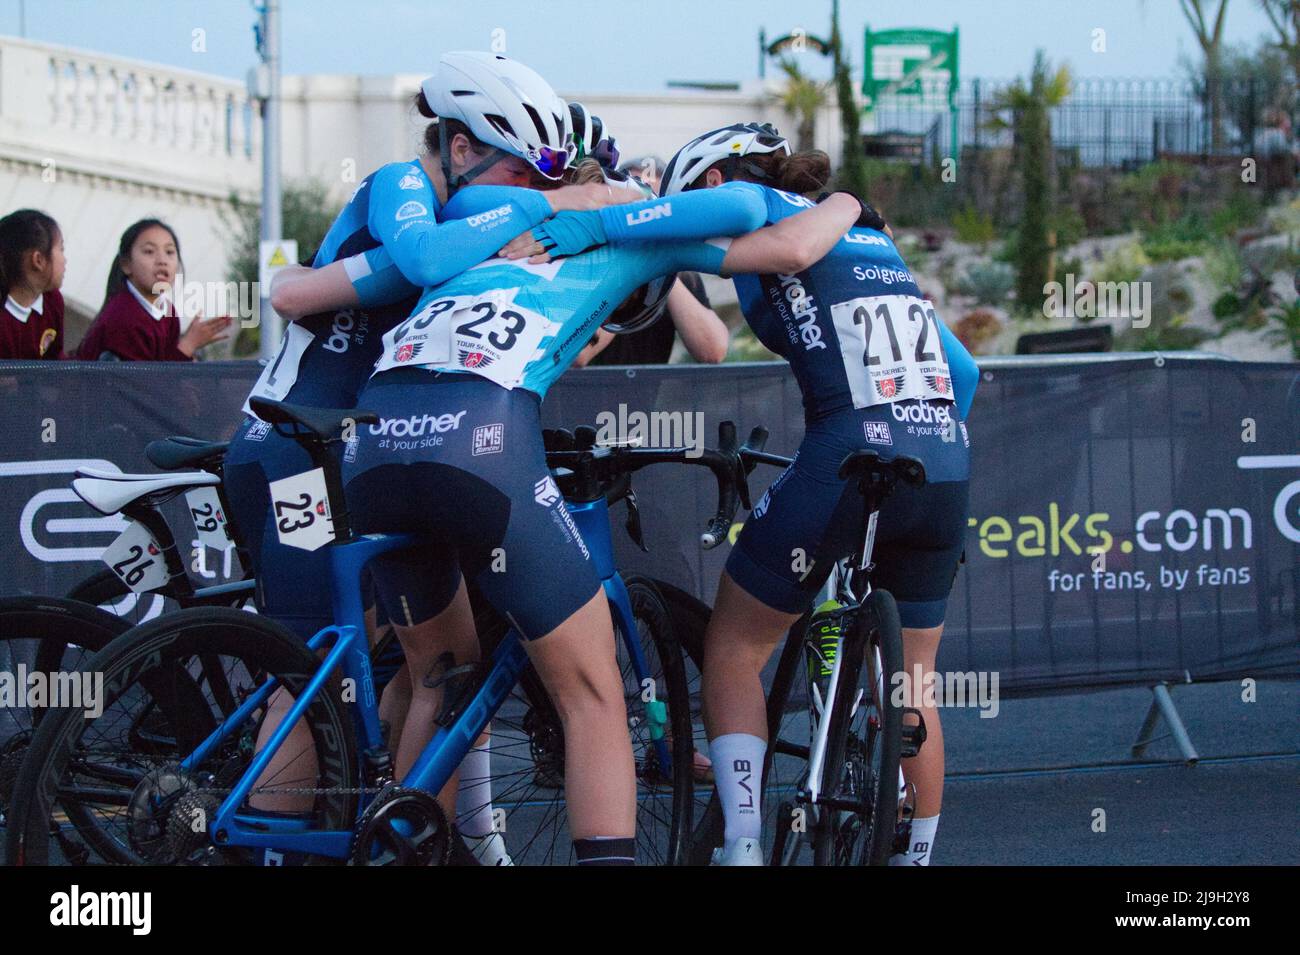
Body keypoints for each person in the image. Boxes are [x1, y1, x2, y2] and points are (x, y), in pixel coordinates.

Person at [268, 153, 866, 865]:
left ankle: (398, 844)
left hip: (374, 441)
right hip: (477, 434)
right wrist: (846, 206)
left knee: (439, 670)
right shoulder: (636, 230)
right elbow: (764, 230)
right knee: (590, 689)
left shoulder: (485, 219)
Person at [503, 122, 978, 866]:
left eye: (693, 199)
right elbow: (967, 376)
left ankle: (746, 841)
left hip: (849, 452)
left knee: (732, 643)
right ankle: (916, 854)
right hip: (945, 461)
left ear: (716, 183)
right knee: (913, 682)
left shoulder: (764, 204)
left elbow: (734, 227)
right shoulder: (877, 248)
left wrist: (589, 221)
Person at [230, 51, 620, 865]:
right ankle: (254, 849)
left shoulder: (468, 224)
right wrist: (566, 202)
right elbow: (414, 262)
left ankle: (412, 845)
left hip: (359, 448)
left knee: (439, 666)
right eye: (519, 172)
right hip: (295, 452)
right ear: (462, 146)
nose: (526, 193)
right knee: (308, 687)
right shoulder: (401, 182)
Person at [76, 219, 231, 361]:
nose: (162, 261)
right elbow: (145, 385)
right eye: (149, 251)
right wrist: (188, 345)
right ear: (126, 264)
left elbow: (165, 368)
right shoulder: (124, 317)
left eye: (169, 252)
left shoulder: (168, 312)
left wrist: (190, 346)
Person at [0, 209, 66, 360]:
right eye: (61, 249)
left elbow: (55, 360)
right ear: (38, 260)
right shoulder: (4, 321)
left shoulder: (53, 300)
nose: (65, 260)